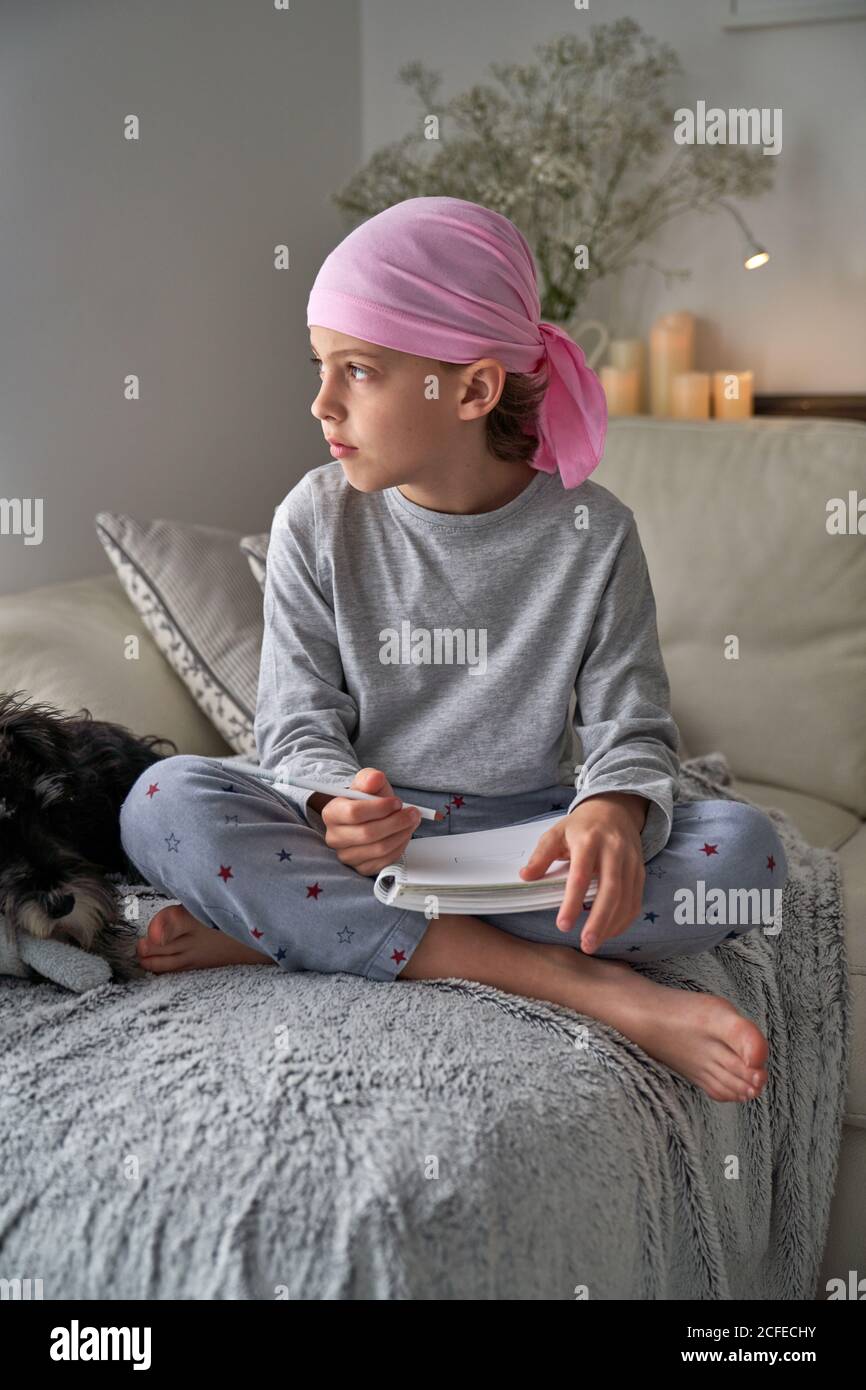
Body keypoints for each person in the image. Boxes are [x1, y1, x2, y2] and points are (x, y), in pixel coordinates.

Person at [119, 197, 788, 1103]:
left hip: (521, 843)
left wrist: (615, 815)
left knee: (745, 856)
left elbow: (632, 727)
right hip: (358, 844)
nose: (321, 403)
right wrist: (331, 801)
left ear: (471, 391)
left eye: (357, 371)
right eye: (320, 368)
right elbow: (295, 723)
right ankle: (586, 987)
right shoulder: (313, 520)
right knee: (161, 802)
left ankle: (291, 927)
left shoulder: (594, 534)